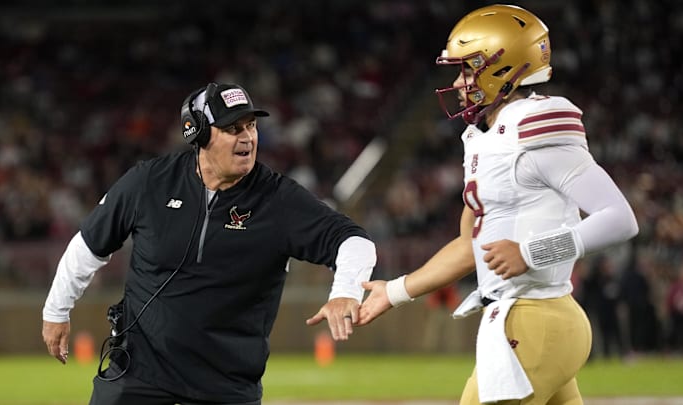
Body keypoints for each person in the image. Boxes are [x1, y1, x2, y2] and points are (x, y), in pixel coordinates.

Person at [358, 4, 638, 405]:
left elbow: (619, 219)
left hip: (535, 319)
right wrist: (396, 291)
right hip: (526, 321)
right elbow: (468, 245)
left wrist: (532, 252)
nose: (457, 83)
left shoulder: (531, 128)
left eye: (466, 69)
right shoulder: (485, 139)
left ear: (503, 68)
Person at [41, 82, 377, 405]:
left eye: (251, 127)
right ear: (198, 133)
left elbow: (355, 241)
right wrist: (57, 310)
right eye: (233, 129)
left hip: (226, 381)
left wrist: (345, 292)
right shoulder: (149, 182)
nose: (247, 137)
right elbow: (88, 246)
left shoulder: (278, 200)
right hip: (139, 369)